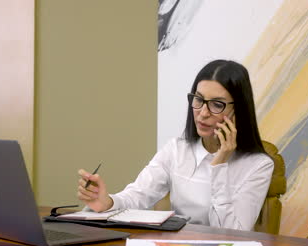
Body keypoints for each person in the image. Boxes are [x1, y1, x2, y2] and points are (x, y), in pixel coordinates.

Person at [77, 60, 274, 231]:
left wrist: (219, 164)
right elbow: (138, 195)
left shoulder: (258, 165)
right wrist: (107, 202)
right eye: (198, 100)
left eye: (216, 104)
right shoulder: (176, 150)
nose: (203, 113)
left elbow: (232, 233)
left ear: (238, 110)